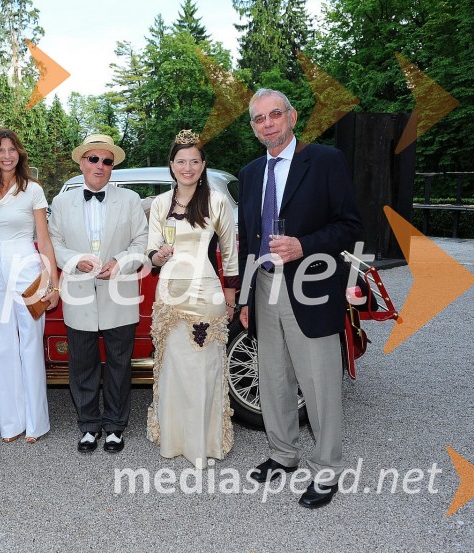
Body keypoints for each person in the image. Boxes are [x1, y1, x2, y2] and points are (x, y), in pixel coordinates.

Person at [237, 89, 363, 508]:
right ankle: (282, 453)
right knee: (273, 379)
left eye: (275, 114)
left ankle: (327, 470)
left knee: (319, 383)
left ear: (291, 117)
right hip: (264, 286)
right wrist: (244, 297)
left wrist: (303, 245)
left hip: (311, 286)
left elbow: (351, 226)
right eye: (259, 119)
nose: (268, 123)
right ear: (253, 128)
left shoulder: (326, 161)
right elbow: (247, 241)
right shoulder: (250, 173)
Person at [49, 134, 148, 454]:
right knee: (83, 364)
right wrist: (75, 261)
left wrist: (120, 262)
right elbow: (54, 243)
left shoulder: (130, 199)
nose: (100, 166)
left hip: (119, 294)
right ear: (81, 163)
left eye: (107, 161)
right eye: (93, 159)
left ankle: (116, 426)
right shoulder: (61, 202)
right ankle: (89, 426)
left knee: (119, 364)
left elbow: (141, 242)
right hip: (78, 293)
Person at [145, 129, 239, 467]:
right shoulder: (159, 203)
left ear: (203, 165)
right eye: (182, 161)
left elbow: (230, 253)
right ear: (171, 165)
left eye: (194, 161)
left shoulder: (216, 201)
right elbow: (151, 252)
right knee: (174, 366)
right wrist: (158, 255)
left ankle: (204, 443)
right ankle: (176, 441)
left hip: (205, 292)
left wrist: (230, 296)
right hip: (170, 294)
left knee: (203, 368)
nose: (188, 167)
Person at [0, 129, 57, 444]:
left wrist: (52, 284)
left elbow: (44, 240)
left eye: (12, 149)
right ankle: (11, 424)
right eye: (1, 150)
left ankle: (37, 424)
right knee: (4, 348)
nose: (7, 155)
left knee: (31, 346)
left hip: (27, 272)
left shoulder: (32, 189)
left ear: (19, 153)